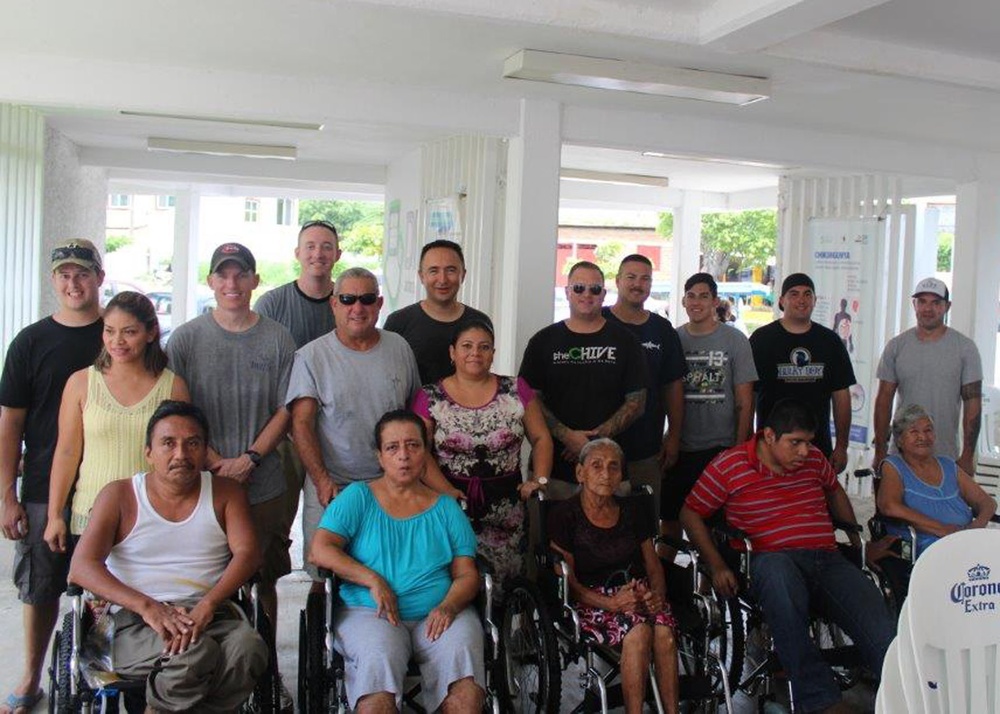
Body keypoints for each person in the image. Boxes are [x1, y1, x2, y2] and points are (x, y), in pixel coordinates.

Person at [680, 399, 895, 714]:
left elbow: (834, 490)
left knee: (876, 619)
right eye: (795, 443)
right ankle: (820, 700)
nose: (805, 452)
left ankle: (908, 695)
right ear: (768, 436)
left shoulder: (815, 461)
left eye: (808, 442)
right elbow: (690, 513)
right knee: (780, 572)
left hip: (825, 559)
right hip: (768, 563)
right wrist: (716, 565)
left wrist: (857, 541)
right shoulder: (730, 465)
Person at [69, 400, 268, 713]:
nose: (181, 454)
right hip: (134, 620)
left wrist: (209, 604)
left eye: (192, 444)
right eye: (168, 443)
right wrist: (149, 607)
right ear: (148, 452)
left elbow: (248, 554)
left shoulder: (226, 493)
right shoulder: (119, 495)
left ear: (205, 451)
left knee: (249, 649)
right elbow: (81, 567)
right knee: (193, 653)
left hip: (210, 612)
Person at [166, 241, 295, 707]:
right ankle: (208, 671)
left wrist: (250, 459)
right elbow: (177, 409)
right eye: (223, 275)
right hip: (200, 483)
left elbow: (288, 407)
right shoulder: (185, 339)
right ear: (211, 282)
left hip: (263, 483)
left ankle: (269, 674)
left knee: (265, 578)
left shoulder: (278, 338)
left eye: (241, 275)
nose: (232, 284)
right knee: (207, 578)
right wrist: (214, 459)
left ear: (255, 281)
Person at [309, 410, 485, 713]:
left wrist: (449, 605)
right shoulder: (358, 497)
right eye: (392, 447)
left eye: (413, 446)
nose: (403, 455)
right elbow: (321, 550)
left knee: (466, 696)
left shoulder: (447, 508)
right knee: (377, 697)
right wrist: (373, 580)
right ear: (380, 456)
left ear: (425, 451)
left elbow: (466, 575)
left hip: (439, 612)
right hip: (370, 613)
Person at [287, 268, 445, 586]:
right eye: (347, 299)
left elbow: (415, 413)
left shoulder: (399, 347)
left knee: (393, 568)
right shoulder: (311, 356)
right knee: (324, 576)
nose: (357, 308)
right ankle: (322, 634)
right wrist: (321, 479)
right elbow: (301, 424)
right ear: (334, 304)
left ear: (379, 303)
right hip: (333, 487)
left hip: (392, 485)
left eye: (366, 299)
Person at [0, 239, 105, 714]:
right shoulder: (30, 341)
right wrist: (7, 494)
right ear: (53, 280)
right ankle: (31, 673)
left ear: (98, 278)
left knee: (107, 589)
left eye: (81, 273)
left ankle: (102, 672)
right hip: (44, 485)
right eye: (64, 274)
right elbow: (10, 422)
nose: (73, 283)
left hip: (108, 486)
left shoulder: (118, 333)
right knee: (41, 587)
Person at [411, 319, 553, 590]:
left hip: (508, 506)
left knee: (507, 585)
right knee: (455, 584)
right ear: (452, 353)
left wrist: (540, 479)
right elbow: (420, 451)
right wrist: (446, 491)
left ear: (493, 354)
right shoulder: (430, 396)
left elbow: (541, 437)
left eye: (483, 347)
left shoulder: (516, 389)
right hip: (450, 504)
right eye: (466, 346)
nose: (475, 353)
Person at [45, 291, 189, 551]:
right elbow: (66, 452)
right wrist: (54, 515)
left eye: (129, 332)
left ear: (151, 333)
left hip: (153, 518)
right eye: (109, 331)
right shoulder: (81, 383)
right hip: (91, 514)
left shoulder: (173, 387)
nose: (117, 341)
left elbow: (183, 457)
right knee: (92, 591)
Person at [548, 438, 679, 714]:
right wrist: (610, 604)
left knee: (665, 634)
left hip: (638, 591)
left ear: (621, 475)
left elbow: (652, 563)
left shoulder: (633, 510)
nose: (605, 474)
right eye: (596, 466)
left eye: (613, 467)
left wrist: (657, 595)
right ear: (580, 473)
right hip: (592, 601)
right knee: (640, 632)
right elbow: (567, 580)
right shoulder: (564, 515)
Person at [255, 219, 340, 591]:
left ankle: (324, 602)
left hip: (335, 438)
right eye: (310, 246)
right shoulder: (273, 304)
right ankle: (266, 612)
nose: (318, 254)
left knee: (331, 528)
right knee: (276, 531)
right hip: (287, 437)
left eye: (325, 246)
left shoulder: (349, 301)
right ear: (297, 253)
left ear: (337, 254)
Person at [519, 261, 648, 492]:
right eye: (579, 288)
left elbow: (637, 403)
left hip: (610, 472)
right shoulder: (543, 341)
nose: (587, 294)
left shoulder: (626, 341)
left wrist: (591, 443)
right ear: (567, 292)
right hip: (553, 469)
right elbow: (528, 399)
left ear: (604, 295)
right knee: (551, 528)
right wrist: (567, 436)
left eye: (595, 289)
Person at [662, 273, 757, 545]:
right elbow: (664, 395)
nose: (697, 302)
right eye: (691, 295)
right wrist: (669, 440)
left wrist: (739, 450)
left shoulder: (735, 340)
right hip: (682, 446)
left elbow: (744, 400)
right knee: (670, 518)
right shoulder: (674, 339)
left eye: (704, 296)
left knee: (716, 524)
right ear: (683, 300)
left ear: (715, 301)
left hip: (721, 449)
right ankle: (668, 580)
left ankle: (708, 583)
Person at [875, 404, 995, 600]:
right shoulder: (894, 466)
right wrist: (940, 528)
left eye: (928, 430)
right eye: (914, 432)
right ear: (900, 440)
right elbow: (888, 505)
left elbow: (987, 502)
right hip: (918, 543)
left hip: (962, 538)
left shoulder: (948, 465)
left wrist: (976, 527)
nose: (923, 437)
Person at [602, 254, 686, 518]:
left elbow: (672, 387)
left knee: (645, 525)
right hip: (599, 447)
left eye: (645, 278)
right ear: (617, 281)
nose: (638, 284)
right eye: (631, 277)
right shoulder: (598, 322)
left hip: (646, 450)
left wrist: (673, 436)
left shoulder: (662, 330)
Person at [873, 277, 982, 475]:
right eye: (922, 301)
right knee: (896, 505)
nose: (928, 308)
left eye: (935, 303)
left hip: (945, 455)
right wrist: (880, 449)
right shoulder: (896, 346)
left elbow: (973, 404)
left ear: (947, 306)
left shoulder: (965, 348)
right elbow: (883, 400)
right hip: (901, 454)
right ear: (914, 304)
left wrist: (967, 455)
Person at [749, 272, 856, 473]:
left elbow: (841, 396)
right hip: (771, 447)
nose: (801, 299)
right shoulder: (761, 339)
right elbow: (749, 395)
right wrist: (746, 441)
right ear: (781, 301)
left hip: (817, 445)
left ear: (815, 301)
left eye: (807, 294)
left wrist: (842, 446)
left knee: (815, 501)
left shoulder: (830, 341)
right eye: (794, 294)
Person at [384, 239, 492, 385]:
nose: (442, 279)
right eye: (433, 271)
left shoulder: (480, 321)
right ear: (421, 276)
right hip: (413, 407)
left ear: (463, 275)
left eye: (451, 270)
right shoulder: (399, 322)